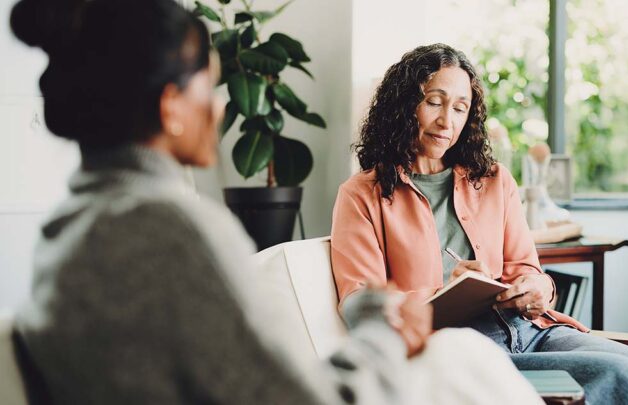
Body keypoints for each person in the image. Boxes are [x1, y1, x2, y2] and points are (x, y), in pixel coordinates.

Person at [7, 1, 484, 403]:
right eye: (208, 87)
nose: (218, 108)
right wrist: (382, 329)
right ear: (171, 106)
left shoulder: (67, 227)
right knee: (464, 363)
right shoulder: (170, 231)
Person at [330, 43, 628, 404]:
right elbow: (360, 305)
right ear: (404, 105)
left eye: (461, 108)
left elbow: (528, 269)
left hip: (533, 331)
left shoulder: (493, 179)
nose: (447, 120)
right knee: (622, 377)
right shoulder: (362, 195)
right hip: (463, 352)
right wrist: (447, 291)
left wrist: (538, 288)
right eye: (434, 102)